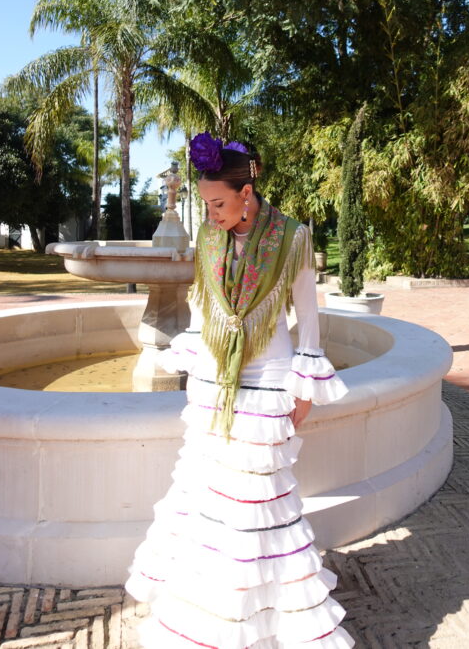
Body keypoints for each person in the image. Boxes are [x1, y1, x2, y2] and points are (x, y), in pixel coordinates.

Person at [125, 132, 354, 648]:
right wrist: (195, 366)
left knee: (258, 501)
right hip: (211, 380)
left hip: (268, 377)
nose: (212, 214)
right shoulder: (209, 237)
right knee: (207, 502)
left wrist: (305, 389)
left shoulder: (292, 237)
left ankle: (269, 626)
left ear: (246, 193)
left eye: (219, 203)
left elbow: (307, 317)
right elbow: (205, 307)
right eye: (205, 204)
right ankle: (207, 623)